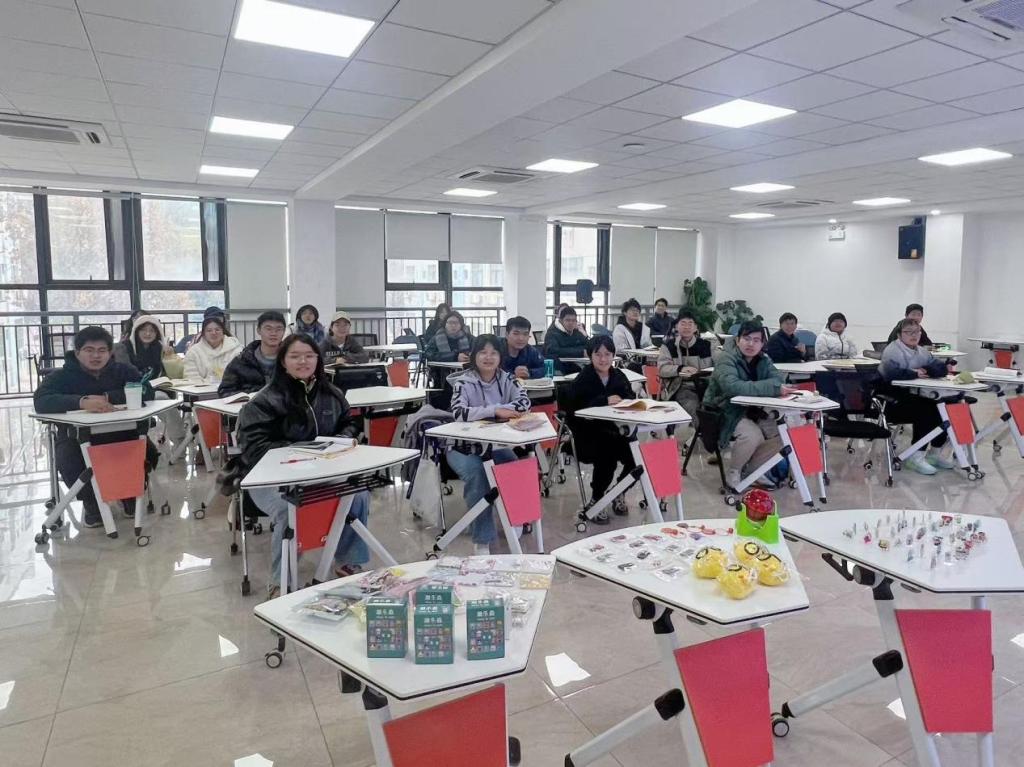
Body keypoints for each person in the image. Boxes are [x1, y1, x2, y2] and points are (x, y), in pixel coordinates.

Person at [237, 334, 371, 598]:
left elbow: (350, 424)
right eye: (295, 356)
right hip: (271, 478)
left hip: (323, 472)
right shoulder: (265, 399)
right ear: (283, 361)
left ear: (318, 360)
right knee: (289, 508)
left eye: (309, 356)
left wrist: (341, 439)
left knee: (358, 495)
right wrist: (302, 452)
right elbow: (254, 449)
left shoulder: (332, 394)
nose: (303, 361)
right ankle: (281, 581)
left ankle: (347, 561)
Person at [33, 327, 157, 528]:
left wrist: (109, 397)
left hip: (121, 431)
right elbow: (41, 400)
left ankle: (128, 494)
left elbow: (147, 391)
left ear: (110, 352)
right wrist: (81, 402)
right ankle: (92, 503)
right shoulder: (62, 376)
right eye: (89, 350)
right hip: (76, 436)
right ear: (77, 352)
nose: (96, 356)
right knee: (69, 459)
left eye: (102, 350)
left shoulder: (122, 370)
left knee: (147, 451)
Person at [446, 335, 531, 555]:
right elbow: (459, 413)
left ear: (500, 357)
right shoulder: (463, 382)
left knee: (515, 468)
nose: (488, 357)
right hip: (463, 447)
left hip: (496, 445)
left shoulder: (508, 379)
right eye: (483, 352)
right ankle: (482, 538)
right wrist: (495, 410)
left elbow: (524, 403)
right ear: (474, 356)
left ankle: (516, 519)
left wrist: (500, 410)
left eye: (494, 353)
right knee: (479, 474)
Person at [704, 321, 801, 490]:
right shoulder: (725, 358)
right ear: (737, 340)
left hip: (754, 410)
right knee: (752, 435)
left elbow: (778, 380)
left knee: (786, 433)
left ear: (762, 344)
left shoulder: (764, 359)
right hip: (724, 411)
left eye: (756, 340)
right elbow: (733, 387)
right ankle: (734, 471)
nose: (751, 344)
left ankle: (753, 471)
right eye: (747, 339)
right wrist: (770, 387)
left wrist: (771, 386)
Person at [567, 335, 638, 523]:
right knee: (607, 456)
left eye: (607, 354)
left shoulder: (618, 375)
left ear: (613, 355)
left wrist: (626, 402)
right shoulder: (584, 378)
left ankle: (618, 492)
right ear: (590, 356)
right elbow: (574, 408)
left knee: (637, 457)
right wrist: (604, 400)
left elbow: (630, 397)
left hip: (616, 431)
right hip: (586, 435)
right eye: (598, 354)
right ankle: (596, 500)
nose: (603, 359)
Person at [879, 319, 956, 475]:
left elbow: (941, 368)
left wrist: (925, 369)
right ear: (899, 335)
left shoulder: (922, 351)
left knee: (945, 407)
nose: (913, 335)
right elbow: (891, 373)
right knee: (928, 410)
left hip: (916, 395)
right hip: (892, 400)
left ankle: (934, 453)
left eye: (917, 332)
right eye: (909, 332)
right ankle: (916, 455)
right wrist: (914, 373)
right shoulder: (893, 350)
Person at [113, 314, 186, 444]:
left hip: (156, 390)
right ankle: (179, 440)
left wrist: (169, 357)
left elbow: (175, 374)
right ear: (136, 330)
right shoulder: (124, 347)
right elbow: (125, 373)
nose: (148, 334)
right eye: (143, 330)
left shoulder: (160, 348)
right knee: (162, 398)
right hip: (132, 392)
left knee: (166, 402)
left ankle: (179, 440)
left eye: (152, 330)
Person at [657, 310, 713, 419]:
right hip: (682, 387)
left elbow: (721, 363)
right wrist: (680, 369)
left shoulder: (707, 345)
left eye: (690, 323)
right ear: (676, 327)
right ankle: (699, 429)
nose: (686, 327)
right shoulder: (669, 346)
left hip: (707, 386)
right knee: (692, 406)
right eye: (683, 323)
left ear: (696, 327)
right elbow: (662, 369)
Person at [218, 311, 287, 397]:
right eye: (268, 329)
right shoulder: (242, 361)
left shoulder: (291, 360)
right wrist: (248, 396)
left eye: (278, 329)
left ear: (284, 331)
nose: (273, 333)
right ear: (258, 330)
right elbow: (224, 391)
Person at [183, 314, 242, 383]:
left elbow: (240, 374)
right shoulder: (193, 352)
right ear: (203, 333)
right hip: (201, 388)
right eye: (209, 330)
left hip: (230, 388)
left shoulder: (236, 349)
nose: (214, 333)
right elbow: (191, 377)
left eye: (217, 330)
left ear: (223, 331)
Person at [544, 305, 588, 374]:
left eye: (573, 320)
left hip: (576, 366)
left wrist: (585, 335)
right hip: (559, 369)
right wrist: (581, 352)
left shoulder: (576, 331)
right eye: (568, 320)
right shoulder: (552, 334)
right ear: (561, 321)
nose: (571, 323)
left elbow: (587, 346)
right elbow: (554, 351)